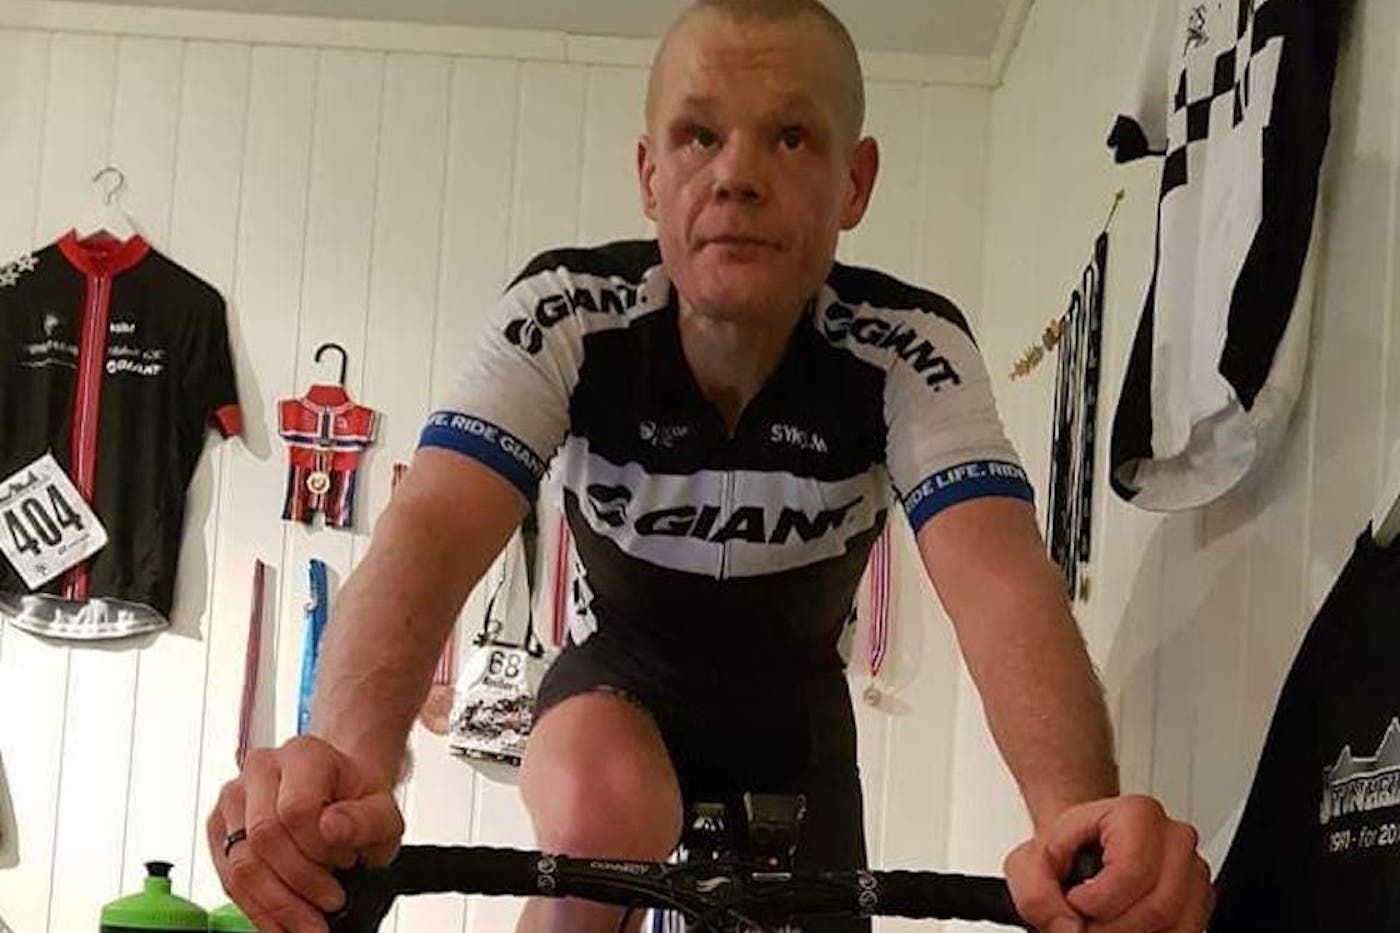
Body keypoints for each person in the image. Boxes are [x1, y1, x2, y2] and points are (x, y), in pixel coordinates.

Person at [207, 2, 1214, 931]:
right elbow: (430, 528)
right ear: (650, 174)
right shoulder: (567, 312)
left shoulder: (908, 346)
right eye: (698, 135)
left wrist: (1075, 816)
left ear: (855, 182)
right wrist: (343, 767)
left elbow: (997, 578)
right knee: (603, 808)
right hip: (615, 691)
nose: (736, 174)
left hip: (794, 725)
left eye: (790, 136)